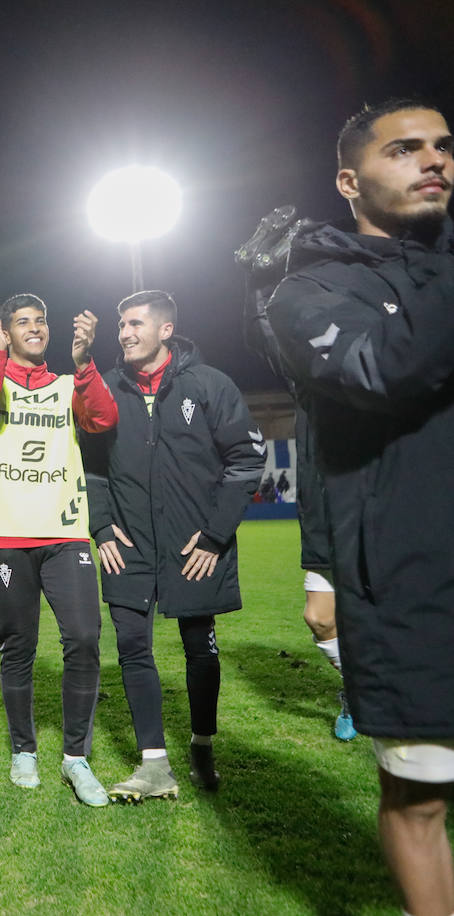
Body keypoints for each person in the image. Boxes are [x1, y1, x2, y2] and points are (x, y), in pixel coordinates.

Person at [266, 98, 453, 916]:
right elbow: (392, 369)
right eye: (404, 149)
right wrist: (320, 569)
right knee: (423, 796)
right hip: (412, 577)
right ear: (349, 180)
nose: (433, 160)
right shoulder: (306, 293)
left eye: (443, 147)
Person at [81, 291, 262, 803]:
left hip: (193, 544)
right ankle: (154, 764)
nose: (124, 333)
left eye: (135, 323)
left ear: (165, 330)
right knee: (133, 647)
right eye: (120, 325)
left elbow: (246, 461)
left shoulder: (208, 385)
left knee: (198, 647)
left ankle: (202, 744)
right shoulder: (107, 390)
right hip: (128, 543)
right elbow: (91, 464)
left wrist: (214, 534)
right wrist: (101, 525)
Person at [0, 294, 119, 806]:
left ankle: (76, 757)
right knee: (19, 647)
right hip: (7, 535)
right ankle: (23, 749)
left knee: (85, 639)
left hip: (66, 532)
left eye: (40, 321)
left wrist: (86, 361)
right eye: (22, 322)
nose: (34, 328)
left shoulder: (69, 385)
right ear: (4, 332)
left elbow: (104, 418)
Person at [237, 205, 355, 740]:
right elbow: (269, 337)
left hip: (383, 513)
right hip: (325, 516)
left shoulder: (382, 370)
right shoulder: (308, 381)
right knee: (320, 618)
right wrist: (262, 284)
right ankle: (356, 688)